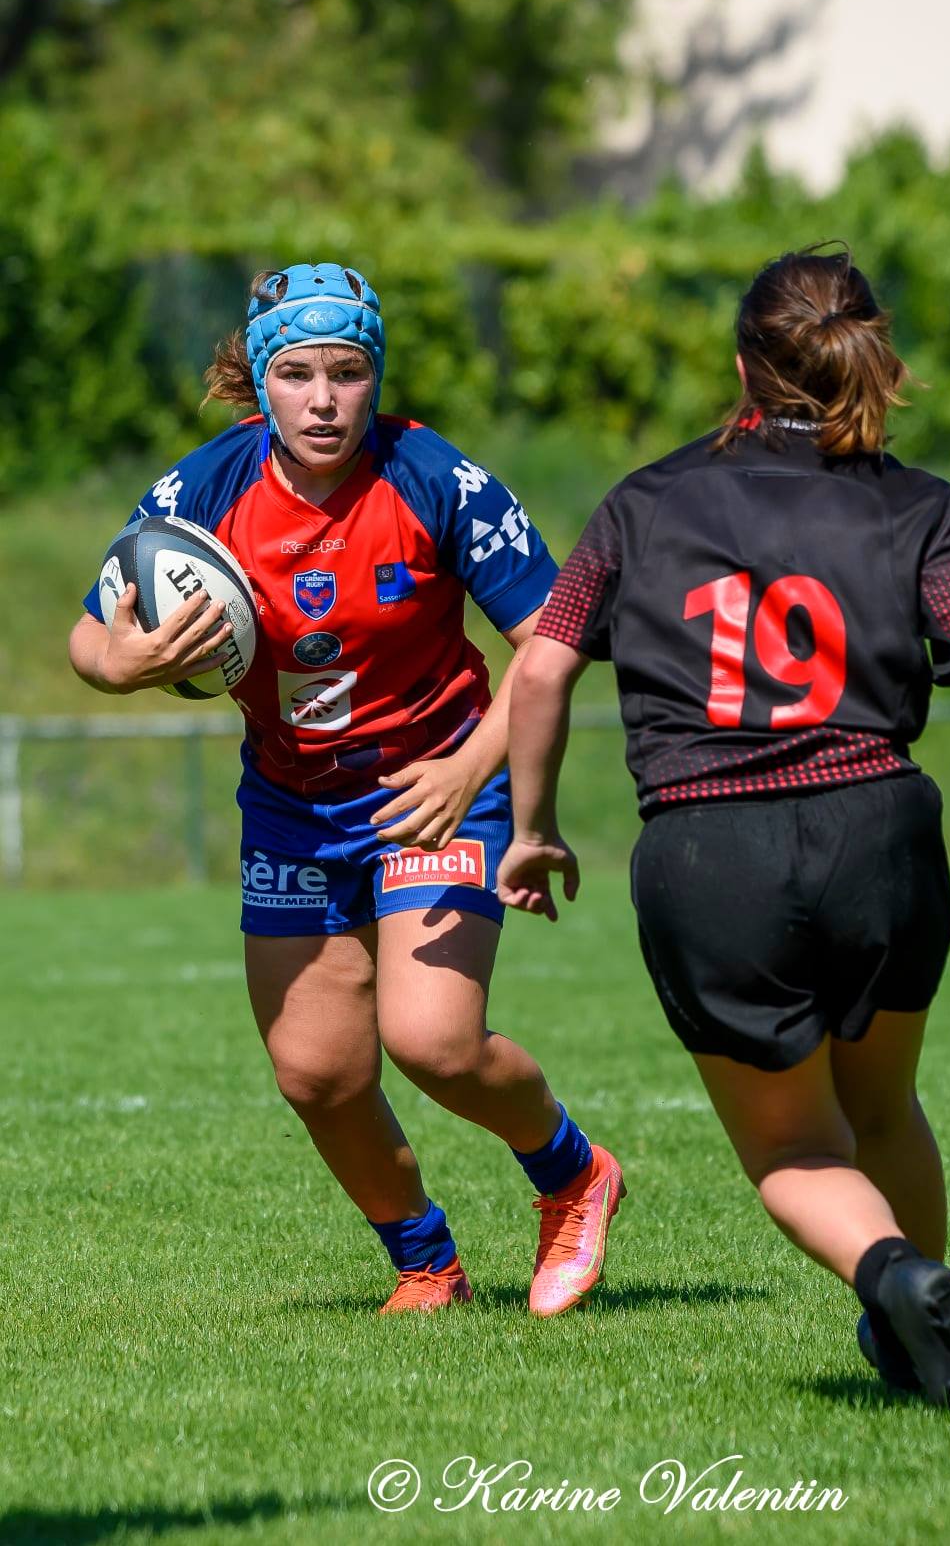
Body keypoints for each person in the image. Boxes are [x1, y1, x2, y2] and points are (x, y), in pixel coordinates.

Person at [497, 245, 950, 1413]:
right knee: (885, 1103)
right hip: (881, 830)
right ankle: (919, 1323)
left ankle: (896, 1276)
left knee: (797, 1150)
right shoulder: (923, 505)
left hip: (712, 845)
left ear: (743, 363)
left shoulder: (644, 501)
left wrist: (536, 825)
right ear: (869, 354)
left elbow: (546, 665)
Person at [69, 262, 624, 1316]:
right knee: (317, 1074)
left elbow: (552, 642)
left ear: (377, 376)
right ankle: (428, 1262)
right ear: (262, 381)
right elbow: (90, 632)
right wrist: (123, 664)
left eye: (347, 372)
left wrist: (471, 769)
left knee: (435, 1041)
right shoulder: (205, 490)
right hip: (290, 801)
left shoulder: (436, 479)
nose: (323, 398)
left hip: (435, 782)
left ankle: (573, 1173)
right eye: (297, 374)